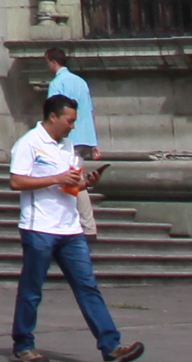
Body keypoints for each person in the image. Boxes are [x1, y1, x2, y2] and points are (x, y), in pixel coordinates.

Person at [11, 90, 142, 362]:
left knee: (87, 286)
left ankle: (111, 345)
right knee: (32, 288)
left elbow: (68, 187)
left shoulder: (67, 146)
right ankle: (23, 343)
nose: (72, 126)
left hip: (69, 229)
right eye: (69, 120)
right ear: (53, 116)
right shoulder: (28, 143)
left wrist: (84, 183)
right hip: (40, 227)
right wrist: (57, 177)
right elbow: (17, 182)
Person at [43, 43, 100, 232]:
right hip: (85, 136)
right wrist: (94, 142)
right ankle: (81, 221)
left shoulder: (57, 83)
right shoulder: (80, 81)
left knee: (74, 178)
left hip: (69, 137)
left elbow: (53, 112)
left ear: (52, 62)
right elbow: (90, 110)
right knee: (74, 176)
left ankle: (87, 223)